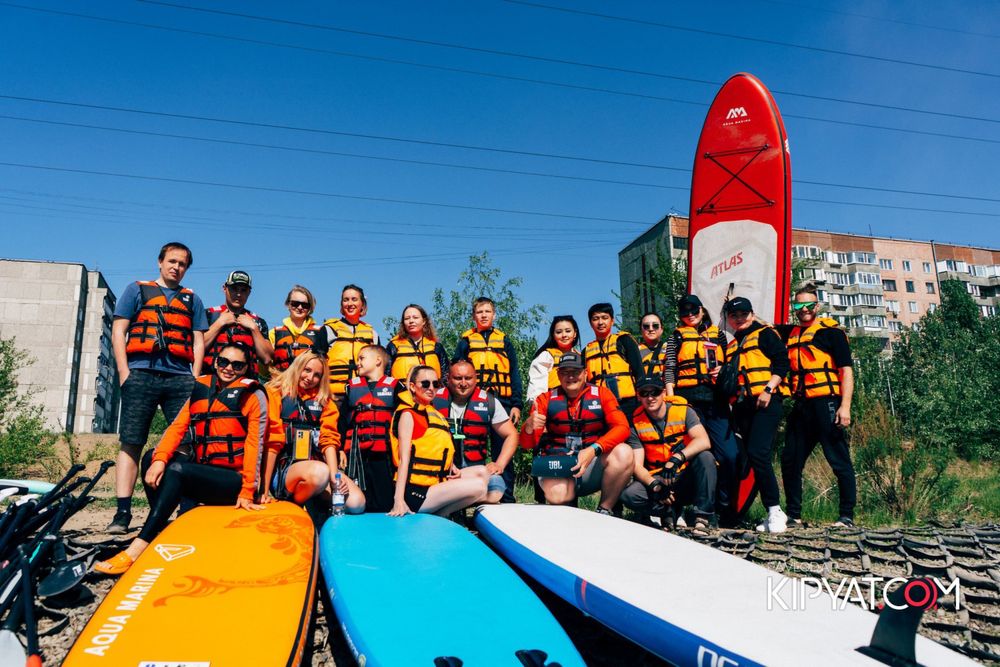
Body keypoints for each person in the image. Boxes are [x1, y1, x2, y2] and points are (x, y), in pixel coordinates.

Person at [94, 343, 265, 574]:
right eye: (223, 362)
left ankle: (139, 546)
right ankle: (161, 528)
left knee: (178, 470)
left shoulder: (252, 395)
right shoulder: (200, 388)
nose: (228, 369)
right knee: (150, 458)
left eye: (237, 365)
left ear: (245, 368)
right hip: (204, 475)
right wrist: (159, 459)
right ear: (215, 362)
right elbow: (176, 428)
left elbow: (256, 446)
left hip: (233, 483)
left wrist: (247, 491)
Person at [108, 241, 208, 534]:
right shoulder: (135, 290)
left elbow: (198, 340)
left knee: (188, 442)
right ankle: (123, 512)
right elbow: (118, 331)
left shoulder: (192, 300)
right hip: (140, 374)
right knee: (132, 442)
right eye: (172, 261)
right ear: (160, 262)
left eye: (183, 264)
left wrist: (195, 376)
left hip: (180, 379)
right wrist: (124, 372)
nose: (177, 267)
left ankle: (186, 508)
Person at [778, 285, 857, 528]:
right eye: (799, 306)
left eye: (809, 305)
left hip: (828, 402)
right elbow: (759, 324)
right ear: (795, 308)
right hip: (802, 405)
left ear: (817, 305)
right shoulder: (789, 333)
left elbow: (846, 371)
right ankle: (794, 515)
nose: (804, 310)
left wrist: (845, 406)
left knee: (838, 458)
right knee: (790, 458)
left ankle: (846, 516)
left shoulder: (831, 333)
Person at [520, 353, 633, 514]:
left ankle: (604, 510)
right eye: (565, 372)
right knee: (559, 496)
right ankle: (567, 512)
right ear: (558, 375)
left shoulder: (603, 394)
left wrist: (594, 449)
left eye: (576, 371)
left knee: (624, 452)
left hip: (591, 465)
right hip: (558, 467)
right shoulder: (544, 399)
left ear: (585, 373)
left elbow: (622, 428)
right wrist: (528, 427)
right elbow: (526, 444)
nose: (570, 376)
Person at [664, 294, 739, 521]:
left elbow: (729, 365)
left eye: (693, 310)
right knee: (700, 455)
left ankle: (723, 504)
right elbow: (669, 369)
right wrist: (671, 401)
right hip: (688, 403)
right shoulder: (676, 336)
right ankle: (700, 509)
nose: (690, 315)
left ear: (702, 310)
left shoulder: (718, 335)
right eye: (684, 312)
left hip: (716, 401)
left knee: (729, 455)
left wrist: (723, 373)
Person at [263, 351, 364, 512]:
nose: (310, 378)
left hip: (316, 470)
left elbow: (329, 440)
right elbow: (273, 442)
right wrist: (264, 490)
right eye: (307, 370)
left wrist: (334, 478)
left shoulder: (324, 401)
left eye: (317, 375)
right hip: (283, 470)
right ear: (297, 366)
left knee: (357, 503)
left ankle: (313, 495)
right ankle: (294, 505)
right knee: (320, 472)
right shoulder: (275, 392)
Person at [724, 297, 791, 533]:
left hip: (766, 401)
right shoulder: (732, 345)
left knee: (758, 453)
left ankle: (775, 510)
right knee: (751, 458)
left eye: (743, 314)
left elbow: (783, 364)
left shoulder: (765, 334)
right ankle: (769, 511)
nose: (739, 318)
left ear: (751, 314)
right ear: (729, 319)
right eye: (734, 315)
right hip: (744, 407)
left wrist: (768, 389)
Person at [388, 366, 489, 516]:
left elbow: (435, 446)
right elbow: (404, 459)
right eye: (425, 384)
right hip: (415, 491)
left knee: (484, 472)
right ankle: (443, 515)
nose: (431, 388)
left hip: (435, 483)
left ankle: (439, 515)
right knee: (480, 487)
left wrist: (451, 465)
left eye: (435, 384)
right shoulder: (408, 414)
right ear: (412, 386)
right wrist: (398, 500)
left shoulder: (432, 413)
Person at [621, 375, 716, 532]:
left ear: (664, 393)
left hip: (685, 474)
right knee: (629, 496)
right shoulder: (635, 423)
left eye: (655, 392)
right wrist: (655, 486)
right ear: (638, 396)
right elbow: (636, 465)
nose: (650, 398)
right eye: (644, 393)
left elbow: (703, 440)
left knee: (706, 457)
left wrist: (677, 458)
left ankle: (703, 517)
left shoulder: (684, 411)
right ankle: (668, 512)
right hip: (659, 477)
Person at [452, 297, 523, 503]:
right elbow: (457, 368)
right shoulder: (465, 341)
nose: (483, 315)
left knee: (503, 447)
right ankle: (472, 491)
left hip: (503, 398)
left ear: (494, 314)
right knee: (472, 445)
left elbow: (514, 372)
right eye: (479, 312)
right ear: (474, 316)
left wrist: (517, 404)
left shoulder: (504, 340)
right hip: (475, 399)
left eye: (487, 311)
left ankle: (507, 496)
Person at [433, 360, 519, 504]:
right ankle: (457, 506)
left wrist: (500, 464)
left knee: (497, 487)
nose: (463, 383)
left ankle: (458, 502)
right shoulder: (433, 399)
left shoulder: (489, 402)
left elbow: (512, 435)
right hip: (442, 470)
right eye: (457, 378)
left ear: (476, 379)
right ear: (448, 379)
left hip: (473, 471)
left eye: (468, 378)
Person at [341, 344, 407, 513]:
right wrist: (340, 449)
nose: (358, 363)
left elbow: (404, 421)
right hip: (356, 458)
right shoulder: (350, 387)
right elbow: (342, 422)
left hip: (384, 457)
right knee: (360, 502)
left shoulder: (397, 387)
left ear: (378, 361)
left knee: (384, 502)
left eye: (362, 358)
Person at [203, 270, 272, 374]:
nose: (239, 294)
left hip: (245, 384)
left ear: (249, 293)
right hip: (211, 380)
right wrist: (219, 323)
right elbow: (195, 349)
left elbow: (267, 358)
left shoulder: (258, 322)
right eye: (234, 289)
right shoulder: (208, 314)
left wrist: (254, 328)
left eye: (243, 290)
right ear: (224, 288)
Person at [583, 302, 644, 416]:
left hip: (628, 403)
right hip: (598, 405)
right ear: (591, 323)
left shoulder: (624, 340)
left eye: (605, 318)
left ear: (612, 320)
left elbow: (639, 371)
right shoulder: (586, 350)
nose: (600, 322)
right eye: (595, 319)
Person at [324, 284, 380, 403]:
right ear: (341, 304)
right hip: (334, 395)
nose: (350, 304)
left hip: (363, 394)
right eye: (346, 300)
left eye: (354, 299)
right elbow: (317, 361)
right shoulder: (329, 330)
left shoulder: (372, 334)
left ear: (362, 304)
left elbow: (381, 367)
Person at [386, 304, 449, 383]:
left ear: (424, 321)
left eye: (415, 317)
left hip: (432, 392)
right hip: (401, 393)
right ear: (403, 323)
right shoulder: (393, 346)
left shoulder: (436, 346)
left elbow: (446, 373)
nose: (411, 321)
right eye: (407, 318)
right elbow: (385, 374)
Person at [269, 285, 326, 372]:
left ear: (310, 308)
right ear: (288, 304)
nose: (300, 307)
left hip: (309, 383)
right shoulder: (274, 333)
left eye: (305, 305)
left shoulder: (321, 331)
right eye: (295, 303)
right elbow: (265, 366)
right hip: (281, 383)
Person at [526, 315, 580, 405]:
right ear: (553, 335)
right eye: (559, 332)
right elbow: (536, 389)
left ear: (575, 333)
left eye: (568, 331)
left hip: (579, 407)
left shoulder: (581, 357)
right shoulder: (546, 356)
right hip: (554, 405)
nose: (564, 335)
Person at [637, 312, 668, 381]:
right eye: (646, 326)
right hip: (645, 389)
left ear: (662, 329)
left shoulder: (671, 348)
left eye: (655, 325)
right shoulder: (635, 351)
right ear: (641, 330)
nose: (651, 329)